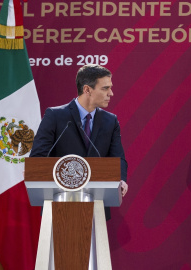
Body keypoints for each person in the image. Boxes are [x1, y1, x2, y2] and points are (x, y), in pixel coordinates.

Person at [30, 64, 128, 220]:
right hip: (59, 205)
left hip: (96, 205)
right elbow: (38, 156)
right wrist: (36, 170)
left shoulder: (111, 121)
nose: (111, 93)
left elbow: (118, 158)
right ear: (87, 90)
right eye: (105, 88)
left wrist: (121, 179)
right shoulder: (55, 116)